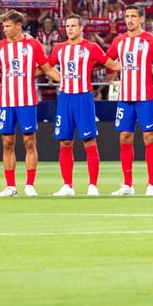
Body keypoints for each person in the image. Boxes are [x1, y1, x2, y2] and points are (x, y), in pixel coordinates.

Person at [103, 5, 153, 196]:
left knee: (149, 137)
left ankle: (151, 184)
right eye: (127, 16)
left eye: (133, 16)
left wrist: (149, 70)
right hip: (125, 97)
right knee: (124, 137)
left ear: (141, 19)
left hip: (145, 97)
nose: (129, 20)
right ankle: (128, 184)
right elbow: (107, 60)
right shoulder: (119, 41)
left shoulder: (151, 40)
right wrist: (118, 66)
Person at [0, 10, 51, 197]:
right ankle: (10, 186)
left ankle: (30, 185)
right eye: (3, 26)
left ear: (18, 26)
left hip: (26, 100)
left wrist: (63, 79)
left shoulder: (33, 45)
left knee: (29, 142)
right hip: (5, 101)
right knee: (7, 142)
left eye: (7, 26)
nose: (4, 29)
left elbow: (45, 68)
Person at [46, 14, 106, 196]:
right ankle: (67, 186)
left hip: (83, 97)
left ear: (81, 28)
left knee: (89, 140)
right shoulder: (60, 48)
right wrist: (61, 78)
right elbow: (47, 67)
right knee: (65, 141)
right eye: (67, 26)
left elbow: (108, 63)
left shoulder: (90, 47)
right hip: (65, 98)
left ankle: (93, 185)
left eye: (73, 26)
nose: (70, 29)